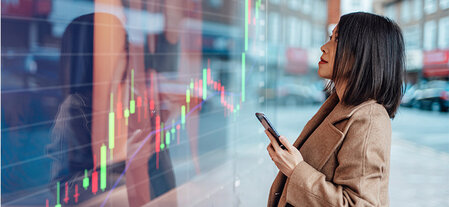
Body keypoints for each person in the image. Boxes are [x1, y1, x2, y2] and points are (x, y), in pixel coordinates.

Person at [266, 12, 404, 207]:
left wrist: (296, 169)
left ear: (363, 52)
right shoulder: (338, 106)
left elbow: (359, 204)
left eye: (337, 40)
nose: (324, 47)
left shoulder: (369, 118)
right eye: (330, 38)